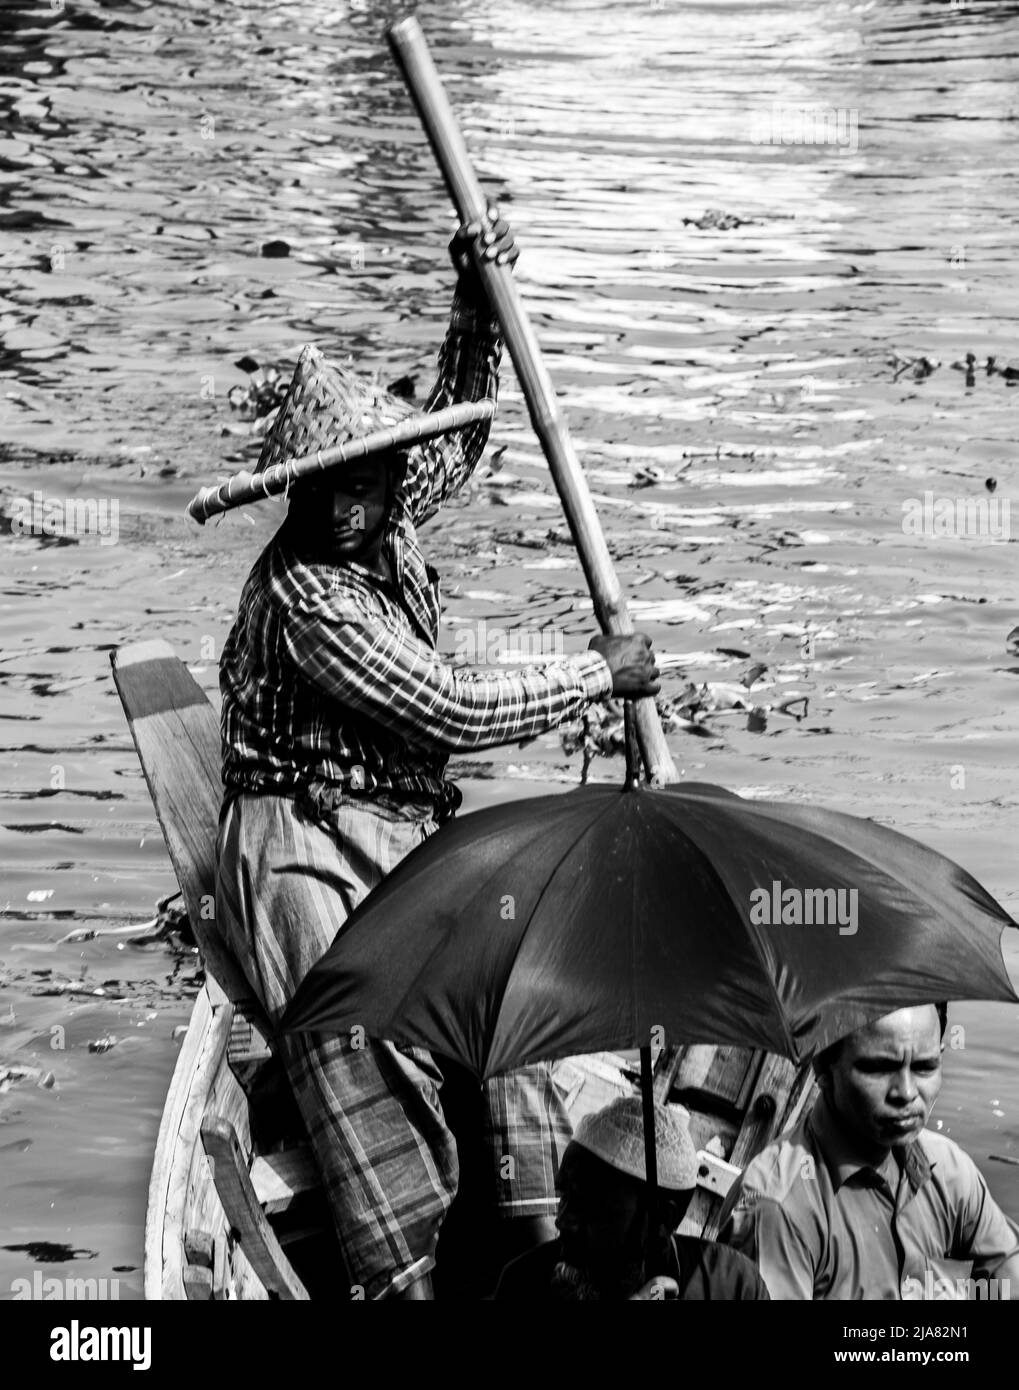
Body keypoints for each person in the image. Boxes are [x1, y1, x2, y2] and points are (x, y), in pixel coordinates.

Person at [214, 209, 662, 1301]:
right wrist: (592, 676)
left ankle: (528, 1233)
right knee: (353, 1028)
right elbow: (446, 705)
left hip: (394, 824)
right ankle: (403, 1269)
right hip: (300, 841)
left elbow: (454, 441)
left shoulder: (381, 518)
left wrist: (475, 302)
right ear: (303, 488)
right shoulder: (309, 592)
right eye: (337, 484)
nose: (357, 497)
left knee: (503, 987)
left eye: (370, 479)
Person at [719, 1003, 1019, 1300]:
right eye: (878, 1068)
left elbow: (1007, 1266)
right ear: (823, 1068)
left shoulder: (948, 1168)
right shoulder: (777, 1210)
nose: (907, 1092)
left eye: (924, 1067)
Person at [494, 1095, 769, 1300]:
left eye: (590, 1207)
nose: (563, 1221)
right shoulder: (524, 1282)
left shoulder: (732, 1286)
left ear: (662, 1219)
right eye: (564, 1196)